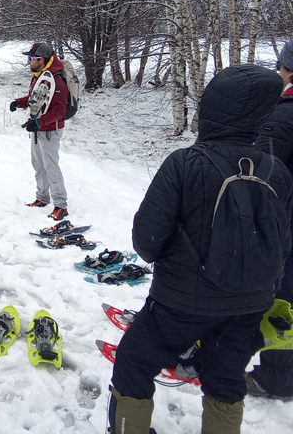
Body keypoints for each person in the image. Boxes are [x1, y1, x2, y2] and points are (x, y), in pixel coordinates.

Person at [109, 65, 293, 434]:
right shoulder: (278, 173)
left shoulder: (184, 164)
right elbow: (281, 245)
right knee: (226, 379)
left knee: (133, 362)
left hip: (179, 305)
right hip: (248, 306)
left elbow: (147, 241)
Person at [247, 40, 293, 399]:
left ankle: (277, 377)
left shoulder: (282, 115)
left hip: (286, 226)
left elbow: (266, 179)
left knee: (282, 297)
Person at [9, 42, 69, 220]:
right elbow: (34, 98)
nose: (28, 62)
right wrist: (19, 103)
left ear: (41, 60)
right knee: (38, 165)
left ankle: (61, 205)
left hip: (50, 130)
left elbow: (60, 111)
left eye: (30, 58)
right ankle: (42, 198)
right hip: (38, 129)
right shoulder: (39, 76)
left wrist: (39, 123)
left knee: (51, 167)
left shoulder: (57, 81)